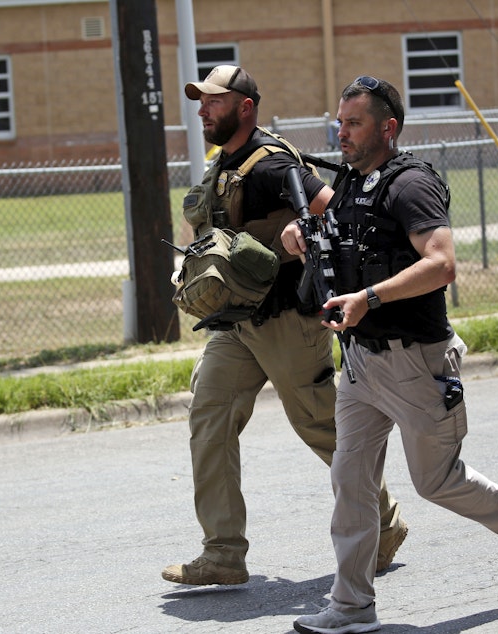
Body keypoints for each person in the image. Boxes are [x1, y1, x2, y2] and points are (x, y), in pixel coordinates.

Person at [282, 76, 498, 633]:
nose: (342, 132)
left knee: (437, 481)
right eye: (339, 122)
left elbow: (442, 262)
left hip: (416, 362)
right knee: (350, 477)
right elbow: (339, 235)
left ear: (388, 127)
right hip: (361, 362)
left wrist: (369, 297)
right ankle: (353, 606)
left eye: (353, 123)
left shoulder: (411, 186)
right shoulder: (355, 184)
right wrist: (299, 234)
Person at [161, 66, 409, 586]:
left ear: (244, 107)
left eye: (214, 101)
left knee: (323, 427)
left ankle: (383, 526)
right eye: (200, 101)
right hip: (236, 325)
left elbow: (336, 211)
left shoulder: (271, 163)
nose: (203, 109)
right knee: (209, 419)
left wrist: (306, 226)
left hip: (286, 324)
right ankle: (224, 553)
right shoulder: (223, 163)